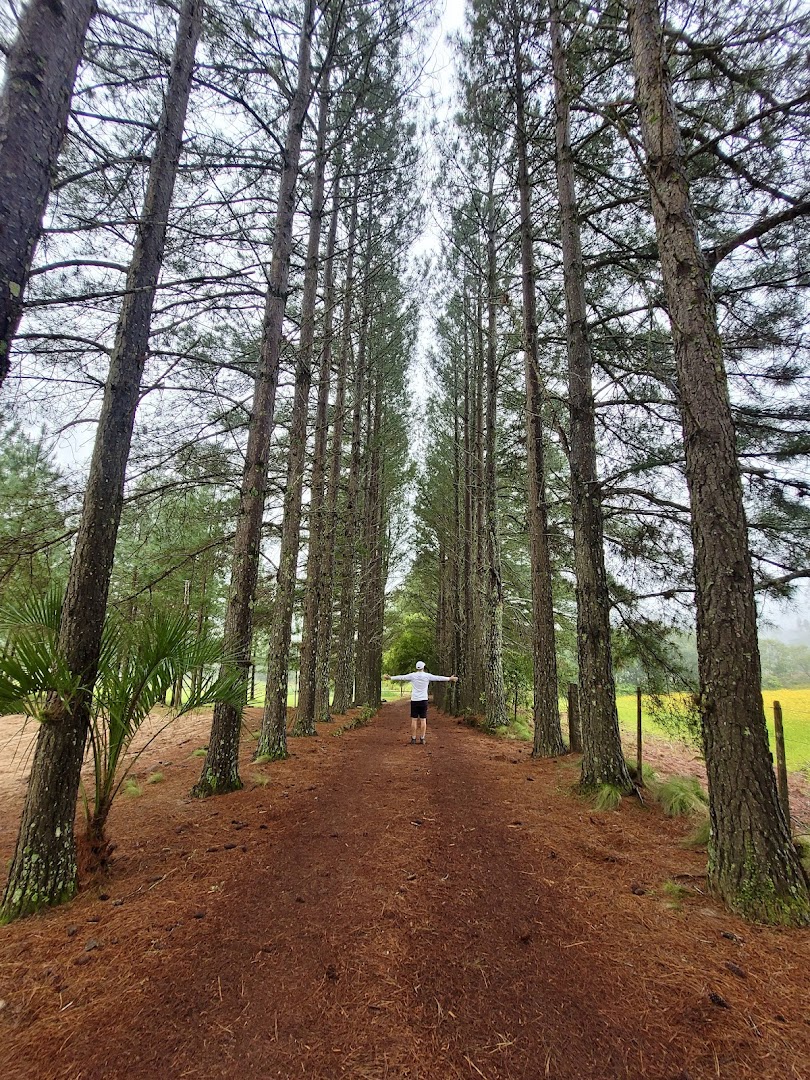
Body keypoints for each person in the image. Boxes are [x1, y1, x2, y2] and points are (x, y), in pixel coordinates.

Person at [383, 661, 458, 745]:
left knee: (414, 720)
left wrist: (390, 678)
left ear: (416, 668)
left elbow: (402, 677)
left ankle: (413, 738)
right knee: (423, 719)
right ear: (423, 667)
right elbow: (437, 678)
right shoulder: (427, 676)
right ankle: (422, 738)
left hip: (415, 700)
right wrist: (449, 678)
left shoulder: (412, 675)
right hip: (423, 700)